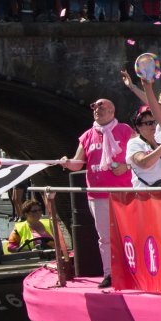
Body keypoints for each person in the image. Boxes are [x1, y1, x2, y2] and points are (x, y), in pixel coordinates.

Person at [60, 98, 134, 284]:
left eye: (102, 106)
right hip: (97, 194)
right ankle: (110, 273)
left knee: (127, 232)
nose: (97, 109)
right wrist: (67, 163)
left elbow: (139, 154)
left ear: (112, 110)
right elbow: (78, 163)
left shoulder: (125, 130)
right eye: (94, 107)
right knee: (104, 236)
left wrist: (126, 166)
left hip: (123, 191)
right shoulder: (87, 136)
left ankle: (133, 269)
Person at [125, 108, 161, 187]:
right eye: (149, 123)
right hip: (145, 195)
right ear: (138, 126)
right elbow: (144, 163)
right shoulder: (134, 143)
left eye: (155, 122)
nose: (154, 125)